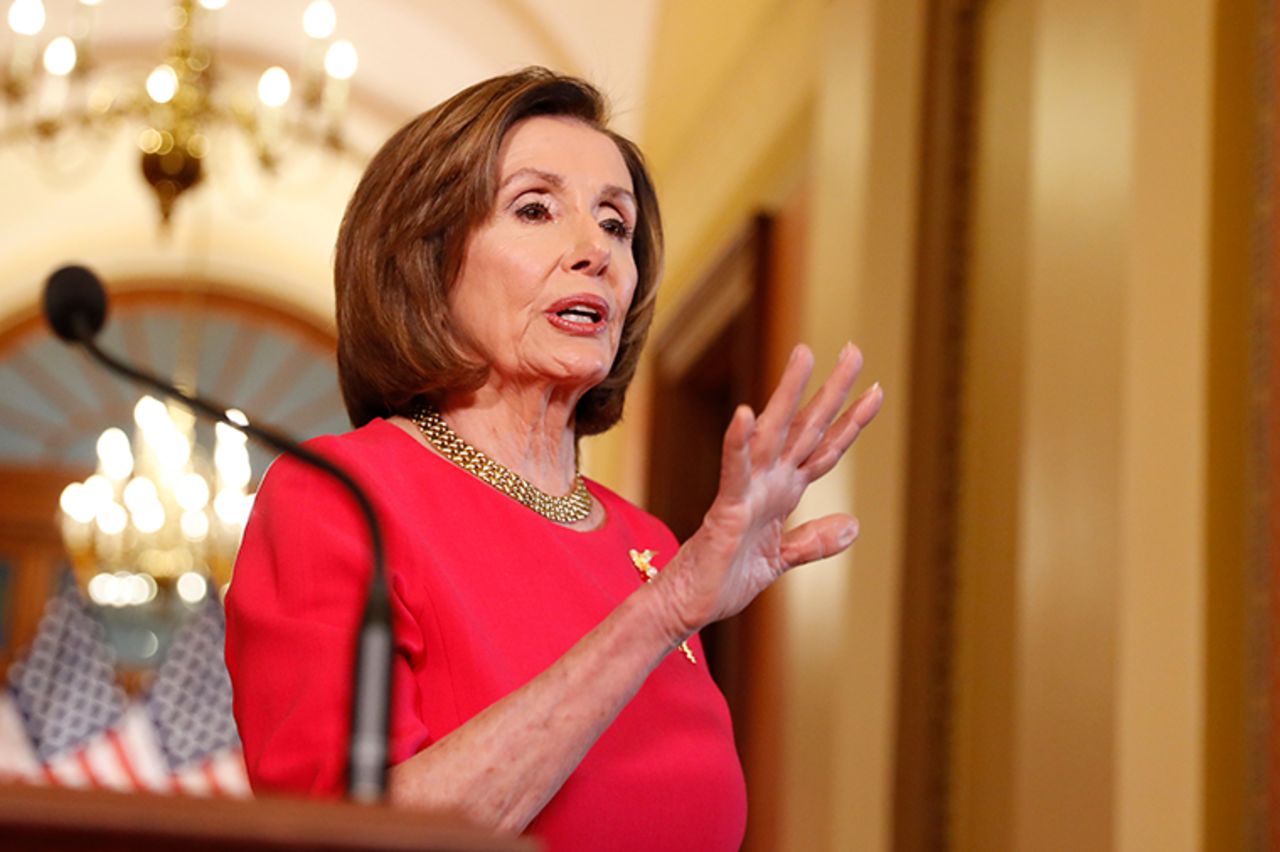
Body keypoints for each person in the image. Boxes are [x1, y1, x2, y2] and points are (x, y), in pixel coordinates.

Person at [224, 67, 883, 850]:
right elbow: (344, 837)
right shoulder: (339, 497)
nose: (594, 251)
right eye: (535, 208)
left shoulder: (651, 548)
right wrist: (660, 615)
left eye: (615, 224)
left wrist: (669, 596)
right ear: (427, 262)